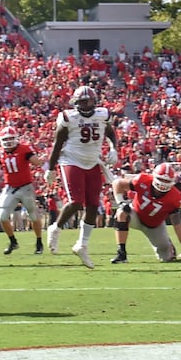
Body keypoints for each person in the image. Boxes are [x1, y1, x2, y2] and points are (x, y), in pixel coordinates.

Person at [45, 84, 117, 269]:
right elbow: (57, 143)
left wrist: (113, 148)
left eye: (90, 100)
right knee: (76, 202)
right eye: (83, 101)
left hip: (93, 161)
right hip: (71, 160)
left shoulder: (102, 115)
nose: (87, 104)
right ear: (76, 103)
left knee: (93, 205)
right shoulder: (69, 117)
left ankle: (82, 245)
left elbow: (110, 132)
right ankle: (56, 228)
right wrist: (51, 168)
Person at [0, 126, 44, 255]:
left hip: (26, 187)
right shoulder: (0, 152)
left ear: (16, 138)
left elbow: (36, 162)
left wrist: (42, 159)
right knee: (2, 217)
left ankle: (39, 241)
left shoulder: (24, 149)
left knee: (33, 216)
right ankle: (13, 241)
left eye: (11, 138)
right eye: (6, 139)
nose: (9, 142)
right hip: (10, 188)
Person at [109, 162, 181, 263]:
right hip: (136, 215)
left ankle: (168, 244)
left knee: (167, 258)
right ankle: (121, 253)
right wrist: (121, 202)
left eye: (166, 180)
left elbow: (177, 224)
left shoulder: (175, 197)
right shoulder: (143, 180)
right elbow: (117, 183)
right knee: (121, 212)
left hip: (155, 226)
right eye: (161, 179)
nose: (162, 183)